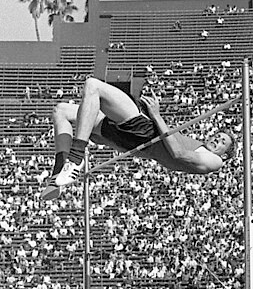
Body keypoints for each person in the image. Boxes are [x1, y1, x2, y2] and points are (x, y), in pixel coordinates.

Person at [39, 75, 236, 200]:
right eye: (217, 136)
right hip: (134, 140)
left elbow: (177, 153)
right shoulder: (200, 145)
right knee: (61, 111)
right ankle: (58, 174)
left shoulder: (215, 161)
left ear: (225, 155)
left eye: (221, 142)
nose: (215, 140)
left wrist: (156, 115)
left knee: (93, 85)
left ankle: (75, 158)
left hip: (145, 132)